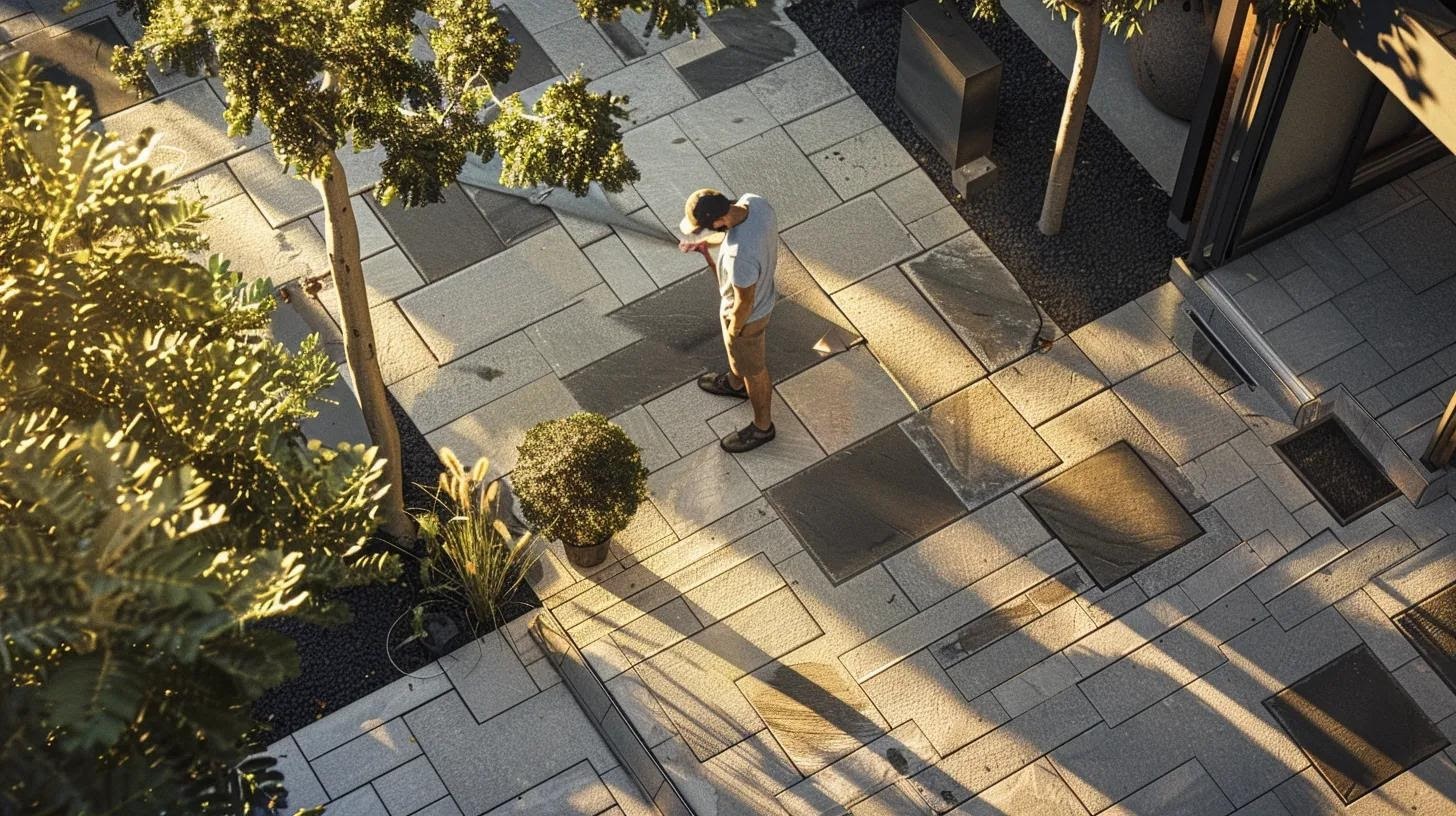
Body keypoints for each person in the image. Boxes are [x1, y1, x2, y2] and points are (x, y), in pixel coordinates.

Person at [679, 188, 778, 453]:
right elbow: (732, 234)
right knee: (740, 362)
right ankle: (735, 384)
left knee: (755, 372)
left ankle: (762, 427)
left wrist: (735, 331)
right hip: (749, 306)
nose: (701, 231)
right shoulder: (755, 202)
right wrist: (707, 244)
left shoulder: (741, 258)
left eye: (704, 228)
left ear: (719, 219)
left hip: (747, 319)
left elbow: (744, 301)